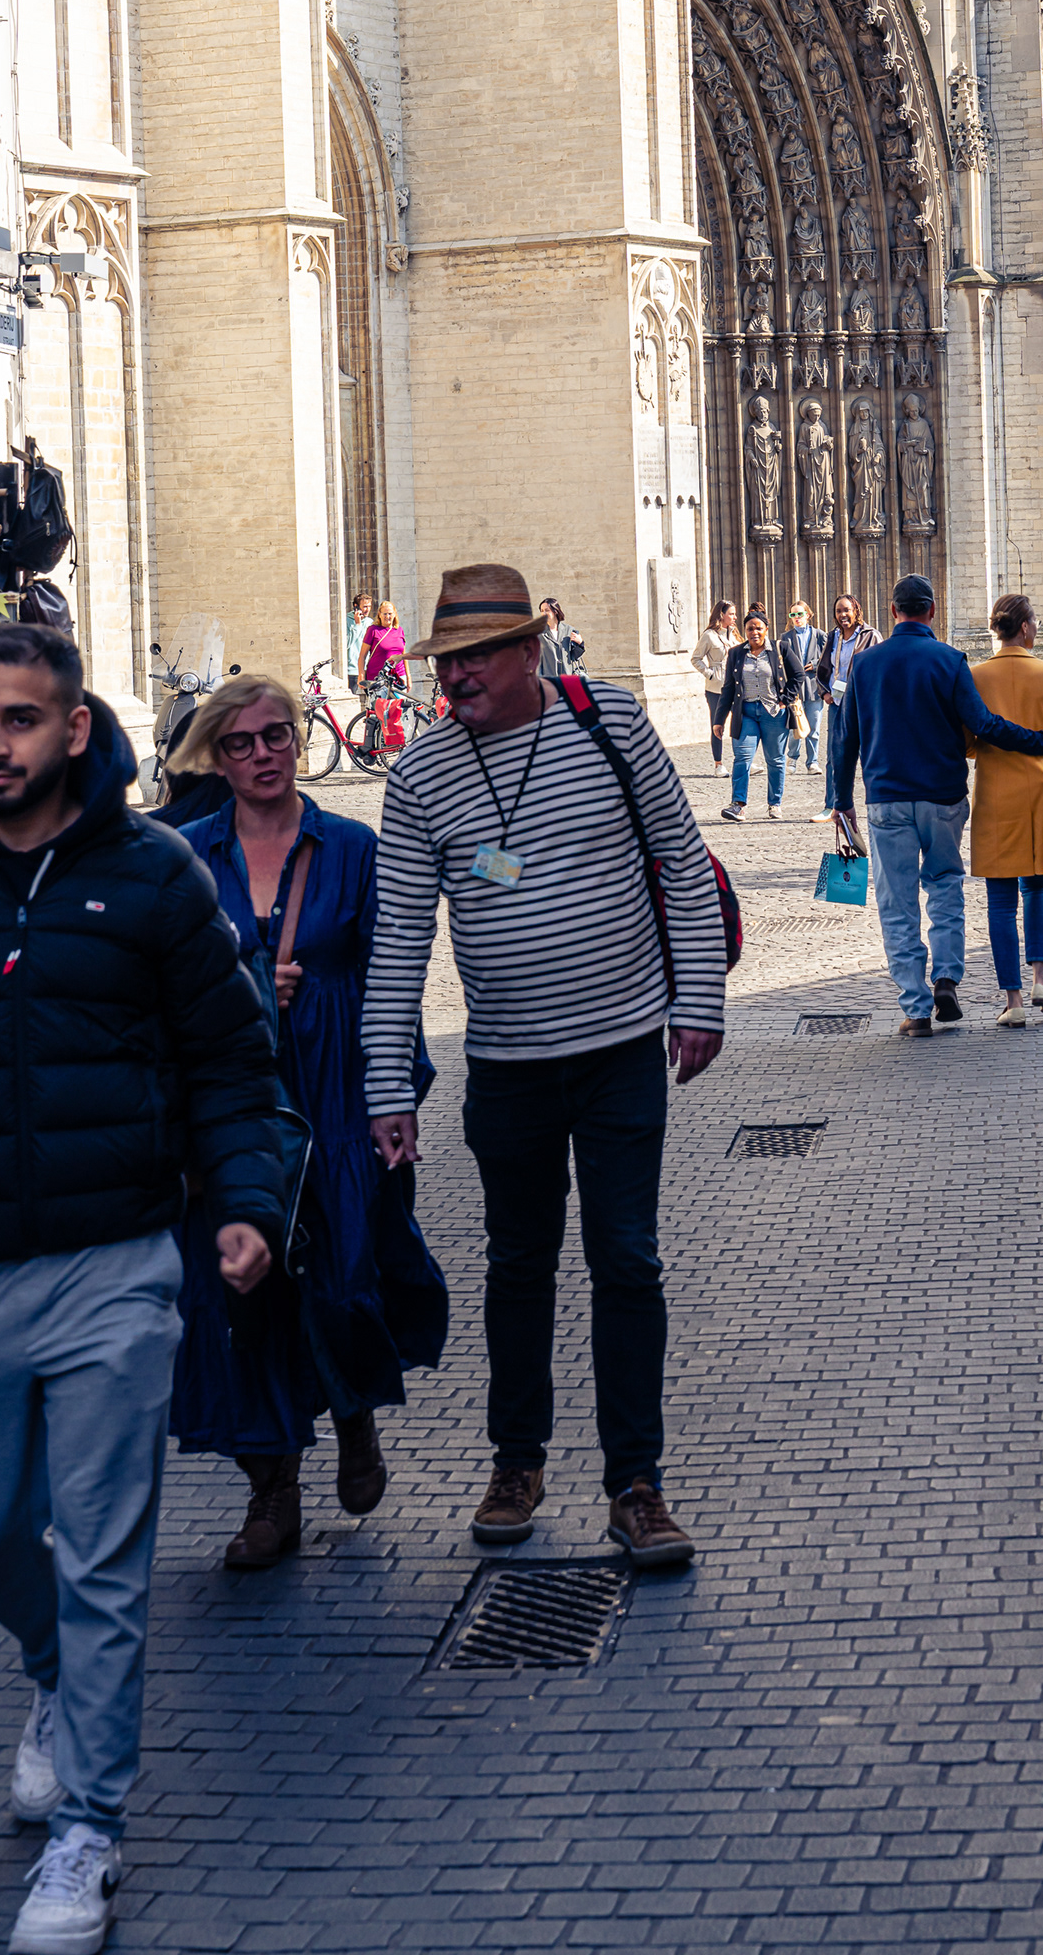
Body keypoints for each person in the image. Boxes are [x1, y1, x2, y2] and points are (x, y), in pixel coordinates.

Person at [0, 622, 284, 1952]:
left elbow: (232, 1062)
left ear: (73, 730)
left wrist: (245, 1204)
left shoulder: (151, 877)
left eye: (17, 723)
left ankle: (89, 1830)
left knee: (106, 1555)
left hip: (115, 1267)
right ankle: (50, 1680)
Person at [364, 563, 724, 1565]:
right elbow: (398, 938)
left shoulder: (608, 722)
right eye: (448, 660)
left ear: (530, 651)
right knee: (518, 1265)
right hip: (507, 1067)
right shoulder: (422, 776)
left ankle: (636, 1485)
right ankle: (515, 1461)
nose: (460, 677)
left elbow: (684, 864)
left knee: (628, 1261)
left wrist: (698, 1001)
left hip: (619, 1054)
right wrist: (387, 1083)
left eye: (480, 655)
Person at [167, 674, 446, 1571]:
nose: (261, 756)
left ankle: (356, 1414)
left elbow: (396, 976)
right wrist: (246, 981)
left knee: (341, 1272)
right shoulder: (184, 854)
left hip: (334, 1089)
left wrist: (392, 1094)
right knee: (239, 1297)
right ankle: (271, 1494)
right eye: (241, 744)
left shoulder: (353, 848)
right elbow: (152, 983)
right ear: (216, 756)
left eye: (276, 737)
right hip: (233, 1102)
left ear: (298, 738)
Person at [829, 573, 1043, 1037]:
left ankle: (914, 1009)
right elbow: (984, 724)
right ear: (931, 611)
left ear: (893, 612)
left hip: (887, 800)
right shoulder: (950, 660)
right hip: (943, 797)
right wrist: (1038, 741)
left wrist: (841, 800)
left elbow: (843, 739)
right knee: (945, 887)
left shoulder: (865, 665)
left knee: (897, 904)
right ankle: (946, 979)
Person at [967, 592, 1043, 1025]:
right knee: (1038, 886)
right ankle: (1042, 980)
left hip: (996, 790)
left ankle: (1013, 1002)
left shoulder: (976, 677)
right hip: (1040, 790)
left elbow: (967, 742)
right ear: (1027, 628)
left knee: (999, 902)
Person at [714, 605, 801, 822]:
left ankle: (774, 804)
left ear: (766, 629)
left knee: (776, 760)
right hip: (746, 714)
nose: (754, 632)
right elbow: (728, 689)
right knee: (742, 757)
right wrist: (719, 720)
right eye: (750, 629)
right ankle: (738, 805)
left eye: (758, 628)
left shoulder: (781, 648)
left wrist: (785, 700)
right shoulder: (736, 653)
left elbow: (798, 675)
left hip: (774, 713)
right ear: (744, 631)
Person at [813, 592, 878, 820]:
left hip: (862, 705)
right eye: (838, 611)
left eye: (846, 610)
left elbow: (879, 669)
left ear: (856, 611)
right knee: (834, 755)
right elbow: (825, 668)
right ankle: (831, 806)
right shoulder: (834, 636)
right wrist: (825, 692)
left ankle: (875, 801)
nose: (842, 615)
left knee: (868, 753)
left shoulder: (870, 636)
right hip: (838, 704)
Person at [781, 600, 825, 785]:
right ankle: (792, 759)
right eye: (793, 615)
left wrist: (815, 664)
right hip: (795, 688)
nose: (796, 618)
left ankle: (812, 762)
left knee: (813, 728)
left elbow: (829, 655)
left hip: (814, 686)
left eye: (800, 614)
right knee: (794, 727)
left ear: (808, 614)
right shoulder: (786, 637)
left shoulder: (820, 635)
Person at [691, 598, 736, 774]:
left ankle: (743, 758)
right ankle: (719, 764)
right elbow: (695, 658)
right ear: (721, 614)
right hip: (716, 688)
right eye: (731, 613)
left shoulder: (733, 634)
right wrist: (709, 673)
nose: (734, 617)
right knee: (717, 725)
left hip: (734, 685)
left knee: (741, 723)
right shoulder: (709, 635)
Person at [358, 599, 407, 692]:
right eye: (384, 614)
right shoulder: (373, 630)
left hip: (398, 677)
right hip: (377, 677)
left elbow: (404, 656)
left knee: (398, 705)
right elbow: (362, 655)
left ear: (395, 614)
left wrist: (408, 677)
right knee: (381, 706)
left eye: (390, 613)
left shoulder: (399, 630)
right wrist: (361, 674)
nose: (387, 617)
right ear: (379, 615)